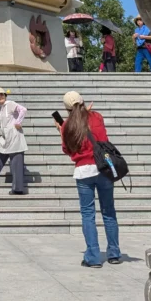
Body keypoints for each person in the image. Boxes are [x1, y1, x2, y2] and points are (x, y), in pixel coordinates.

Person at [57, 91, 121, 268]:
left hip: (83, 171)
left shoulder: (67, 125)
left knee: (88, 214)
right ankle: (114, 253)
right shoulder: (97, 117)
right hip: (103, 168)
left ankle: (93, 257)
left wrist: (61, 129)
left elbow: (67, 150)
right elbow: (103, 139)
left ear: (66, 108)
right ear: (83, 102)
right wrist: (89, 114)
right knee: (109, 211)